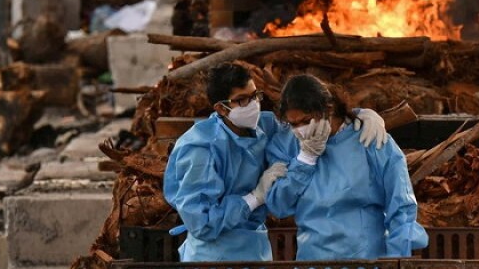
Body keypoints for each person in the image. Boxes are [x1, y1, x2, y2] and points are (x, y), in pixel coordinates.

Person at [163, 63, 388, 262]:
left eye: (254, 96)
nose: (252, 105)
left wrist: (358, 114)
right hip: (213, 256)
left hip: (256, 248)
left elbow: (308, 118)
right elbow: (202, 223)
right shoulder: (200, 149)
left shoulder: (264, 125)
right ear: (221, 108)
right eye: (242, 100)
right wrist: (253, 198)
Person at [265, 74, 429, 261]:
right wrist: (304, 160)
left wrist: (397, 259)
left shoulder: (369, 138)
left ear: (329, 109)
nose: (300, 129)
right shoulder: (287, 144)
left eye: (306, 120)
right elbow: (278, 205)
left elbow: (401, 206)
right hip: (312, 259)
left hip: (367, 259)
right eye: (293, 124)